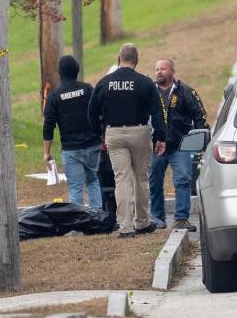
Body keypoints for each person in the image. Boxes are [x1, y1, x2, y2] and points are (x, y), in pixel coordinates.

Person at [88, 44, 167, 238]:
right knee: (141, 178)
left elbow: (91, 111)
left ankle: (125, 227)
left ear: (119, 59)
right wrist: (160, 137)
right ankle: (142, 222)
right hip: (139, 132)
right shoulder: (144, 82)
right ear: (136, 60)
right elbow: (158, 112)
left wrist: (99, 132)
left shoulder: (104, 83)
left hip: (114, 134)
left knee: (121, 179)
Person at [149, 59, 208, 231]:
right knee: (154, 182)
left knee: (183, 180)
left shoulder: (186, 92)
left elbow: (200, 116)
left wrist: (199, 141)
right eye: (157, 69)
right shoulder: (149, 92)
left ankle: (181, 219)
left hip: (180, 146)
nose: (159, 72)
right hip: (155, 146)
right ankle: (157, 219)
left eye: (163, 68)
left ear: (172, 71)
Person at [43, 56, 102, 209]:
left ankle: (78, 220)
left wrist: (46, 152)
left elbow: (48, 125)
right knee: (93, 181)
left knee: (76, 187)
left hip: (71, 150)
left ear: (60, 73)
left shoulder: (54, 96)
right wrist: (102, 136)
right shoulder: (88, 89)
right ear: (77, 70)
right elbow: (99, 113)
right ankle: (98, 217)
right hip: (93, 145)